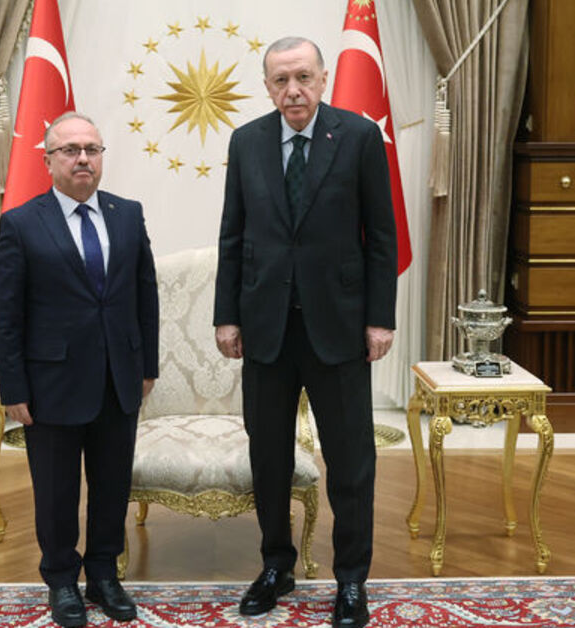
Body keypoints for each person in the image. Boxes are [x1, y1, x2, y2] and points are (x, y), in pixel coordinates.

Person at [213, 36, 397, 628]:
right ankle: (276, 566)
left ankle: (351, 580)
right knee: (268, 458)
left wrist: (380, 318)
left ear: (323, 78)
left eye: (303, 77)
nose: (293, 90)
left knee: (350, 460)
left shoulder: (360, 137)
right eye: (280, 80)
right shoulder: (247, 141)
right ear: (267, 86)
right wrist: (226, 315)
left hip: (338, 327)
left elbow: (382, 236)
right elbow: (233, 235)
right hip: (266, 328)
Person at [0, 112, 159, 627]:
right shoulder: (21, 222)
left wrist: (147, 365)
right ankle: (61, 579)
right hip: (51, 385)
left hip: (117, 379)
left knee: (111, 487)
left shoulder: (128, 215)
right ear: (48, 161)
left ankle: (104, 575)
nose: (83, 158)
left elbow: (145, 296)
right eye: (70, 150)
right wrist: (13, 386)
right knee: (57, 491)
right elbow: (6, 314)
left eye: (91, 149)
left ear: (101, 157)